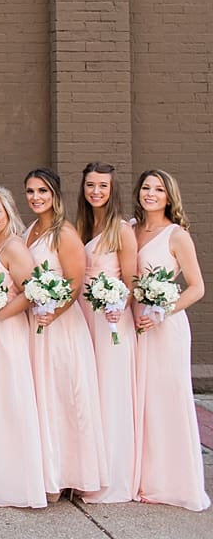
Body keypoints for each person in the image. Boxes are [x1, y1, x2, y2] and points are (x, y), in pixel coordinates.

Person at [22, 168, 107, 499]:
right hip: (36, 324)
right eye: (30, 192)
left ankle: (70, 475)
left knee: (63, 398)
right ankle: (47, 473)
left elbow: (74, 282)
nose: (36, 197)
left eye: (42, 191)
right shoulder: (29, 230)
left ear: (54, 195)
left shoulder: (64, 233)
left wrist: (51, 314)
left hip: (60, 327)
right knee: (42, 398)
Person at [132, 169, 209, 511]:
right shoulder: (130, 229)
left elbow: (197, 287)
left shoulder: (177, 236)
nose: (150, 193)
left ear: (168, 196)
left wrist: (164, 310)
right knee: (141, 401)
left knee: (166, 399)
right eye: (146, 188)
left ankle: (174, 483)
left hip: (165, 328)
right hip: (134, 326)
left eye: (158, 189)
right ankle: (143, 477)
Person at [0, 186, 45, 508]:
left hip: (7, 334)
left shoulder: (14, 247)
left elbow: (32, 294)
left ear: (8, 213)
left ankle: (18, 483)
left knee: (11, 402)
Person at [74, 161, 138, 504]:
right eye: (90, 185)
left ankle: (112, 478)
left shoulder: (121, 230)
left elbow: (130, 281)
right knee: (90, 392)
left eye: (102, 186)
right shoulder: (82, 227)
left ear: (112, 191)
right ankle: (88, 470)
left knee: (111, 395)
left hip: (111, 320)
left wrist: (121, 305)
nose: (96, 191)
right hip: (84, 316)